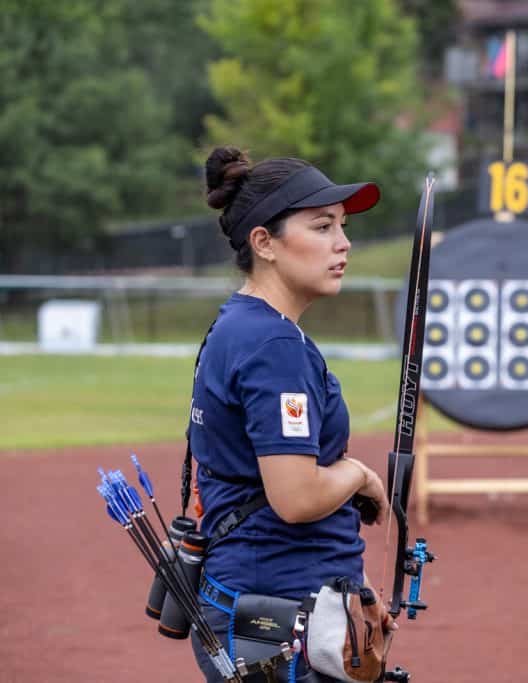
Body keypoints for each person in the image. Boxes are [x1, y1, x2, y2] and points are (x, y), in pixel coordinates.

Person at [187, 146, 392, 682]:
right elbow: (297, 498)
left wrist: (358, 585)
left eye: (342, 227)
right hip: (274, 612)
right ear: (264, 243)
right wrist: (359, 475)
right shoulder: (274, 344)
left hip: (265, 600)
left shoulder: (239, 325)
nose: (343, 243)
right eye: (322, 227)